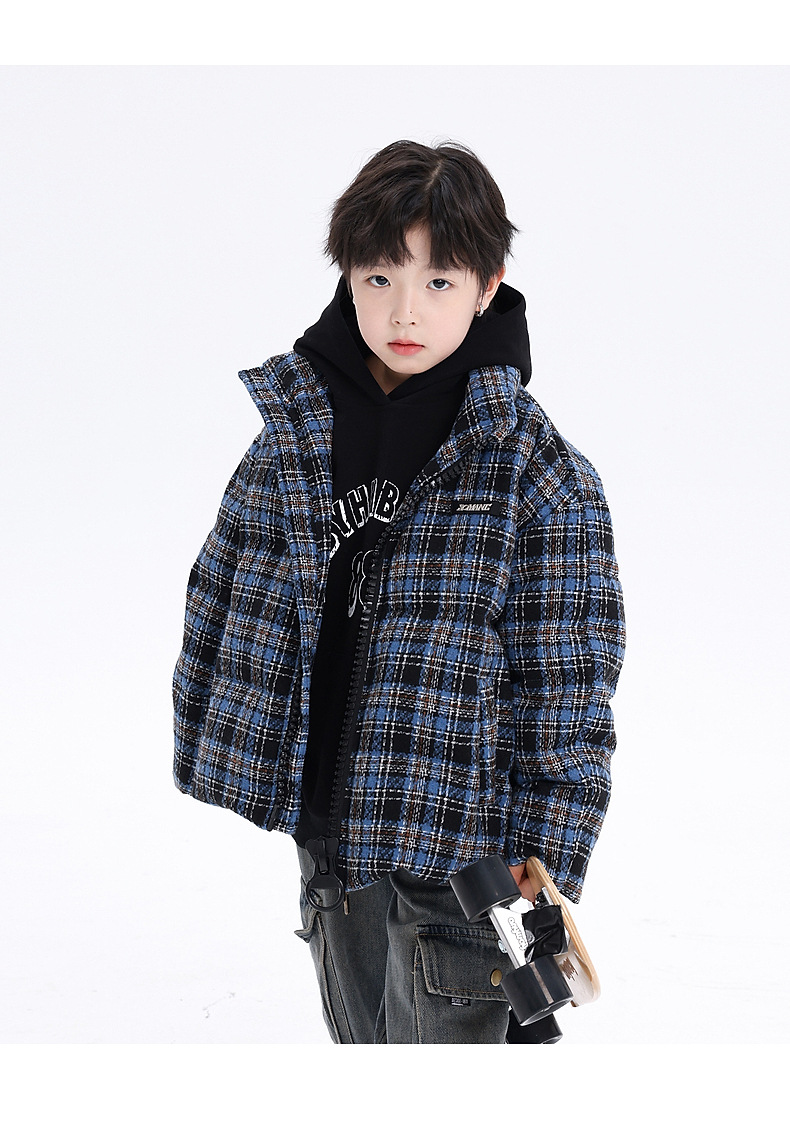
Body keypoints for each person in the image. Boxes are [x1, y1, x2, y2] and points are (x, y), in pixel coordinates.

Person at [172, 139, 626, 1044]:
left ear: (489, 286)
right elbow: (225, 593)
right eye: (378, 278)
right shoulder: (297, 433)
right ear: (346, 276)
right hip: (330, 834)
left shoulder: (532, 473)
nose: (404, 311)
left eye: (438, 282)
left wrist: (548, 846)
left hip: (459, 850)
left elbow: (568, 683)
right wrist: (232, 744)